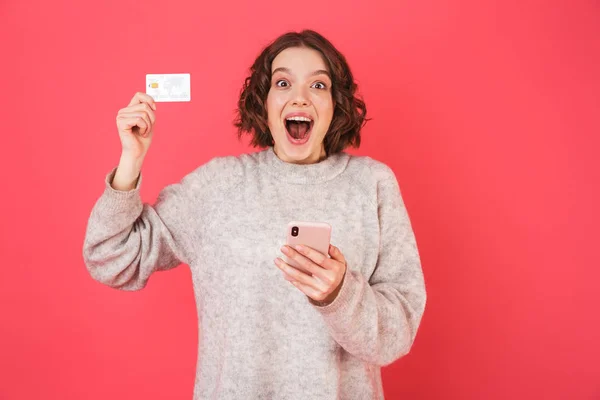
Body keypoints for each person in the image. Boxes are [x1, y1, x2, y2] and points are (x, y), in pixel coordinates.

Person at [83, 29, 427, 400]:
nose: (300, 97)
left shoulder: (372, 184)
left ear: (335, 104)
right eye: (283, 83)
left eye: (318, 86)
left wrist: (339, 294)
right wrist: (131, 160)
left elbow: (398, 334)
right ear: (263, 101)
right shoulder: (218, 186)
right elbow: (110, 258)